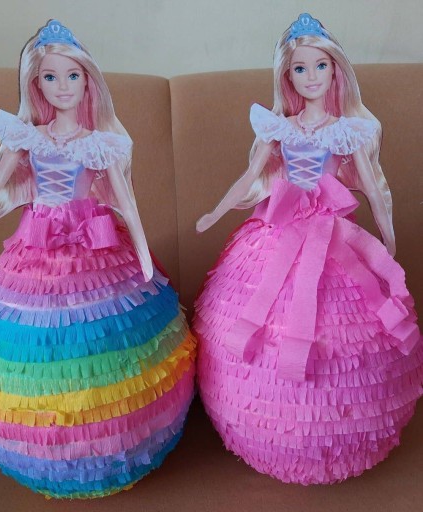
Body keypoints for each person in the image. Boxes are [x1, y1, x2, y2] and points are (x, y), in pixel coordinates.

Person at [0, 20, 195, 498]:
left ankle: (121, 445)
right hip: (36, 250)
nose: (63, 86)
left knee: (113, 343)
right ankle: (37, 448)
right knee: (33, 345)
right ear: (36, 83)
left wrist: (143, 255)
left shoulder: (100, 141)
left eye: (73, 76)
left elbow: (126, 203)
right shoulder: (26, 137)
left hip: (97, 250)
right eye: (51, 77)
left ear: (88, 82)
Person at [193, 13, 422, 485]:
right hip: (274, 234)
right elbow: (251, 176)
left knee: (348, 331)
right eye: (300, 68)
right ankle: (260, 423)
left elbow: (373, 189)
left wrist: (388, 239)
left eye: (321, 66)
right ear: (287, 75)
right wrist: (216, 212)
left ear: (336, 71)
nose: (311, 76)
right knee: (254, 314)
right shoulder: (277, 127)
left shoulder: (349, 130)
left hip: (332, 236)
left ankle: (344, 430)